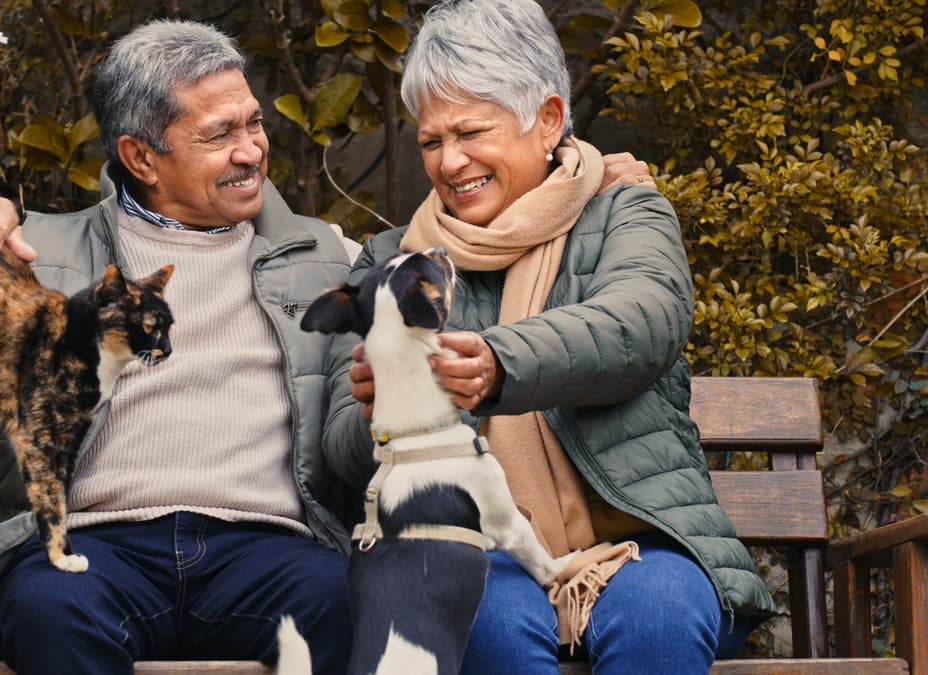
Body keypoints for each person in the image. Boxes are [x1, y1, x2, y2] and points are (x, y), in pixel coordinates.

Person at [0, 16, 654, 674]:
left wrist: (587, 175)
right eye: (219, 135)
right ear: (141, 158)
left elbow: (488, 213)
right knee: (50, 608)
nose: (252, 151)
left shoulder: (326, 256)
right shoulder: (37, 253)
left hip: (265, 549)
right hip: (95, 543)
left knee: (355, 601)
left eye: (254, 123)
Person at [319, 1, 773, 674]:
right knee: (485, 623)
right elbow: (340, 448)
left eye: (471, 131)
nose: (450, 161)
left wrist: (497, 365)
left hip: (641, 544)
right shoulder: (390, 262)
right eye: (432, 140)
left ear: (548, 121)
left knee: (659, 622)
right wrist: (384, 412)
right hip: (472, 546)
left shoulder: (627, 212)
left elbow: (640, 322)